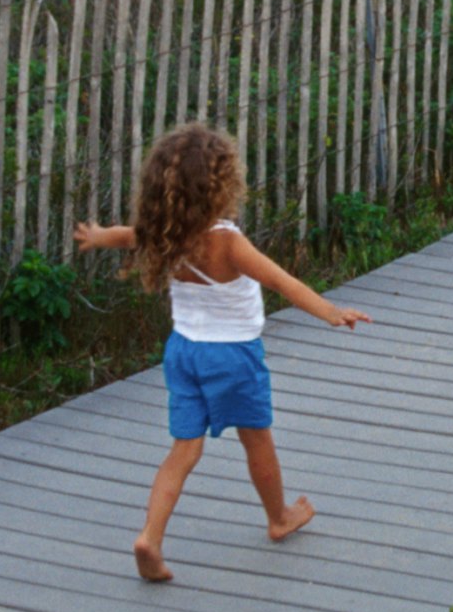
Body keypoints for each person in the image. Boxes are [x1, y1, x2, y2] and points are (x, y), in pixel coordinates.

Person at [73, 123, 370, 582]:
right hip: (232, 358)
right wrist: (331, 312)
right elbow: (281, 282)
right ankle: (279, 517)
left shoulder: (166, 233)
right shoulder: (227, 242)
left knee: (183, 451)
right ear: (221, 186)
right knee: (257, 439)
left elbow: (126, 235)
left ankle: (150, 537)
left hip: (183, 353)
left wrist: (96, 236)